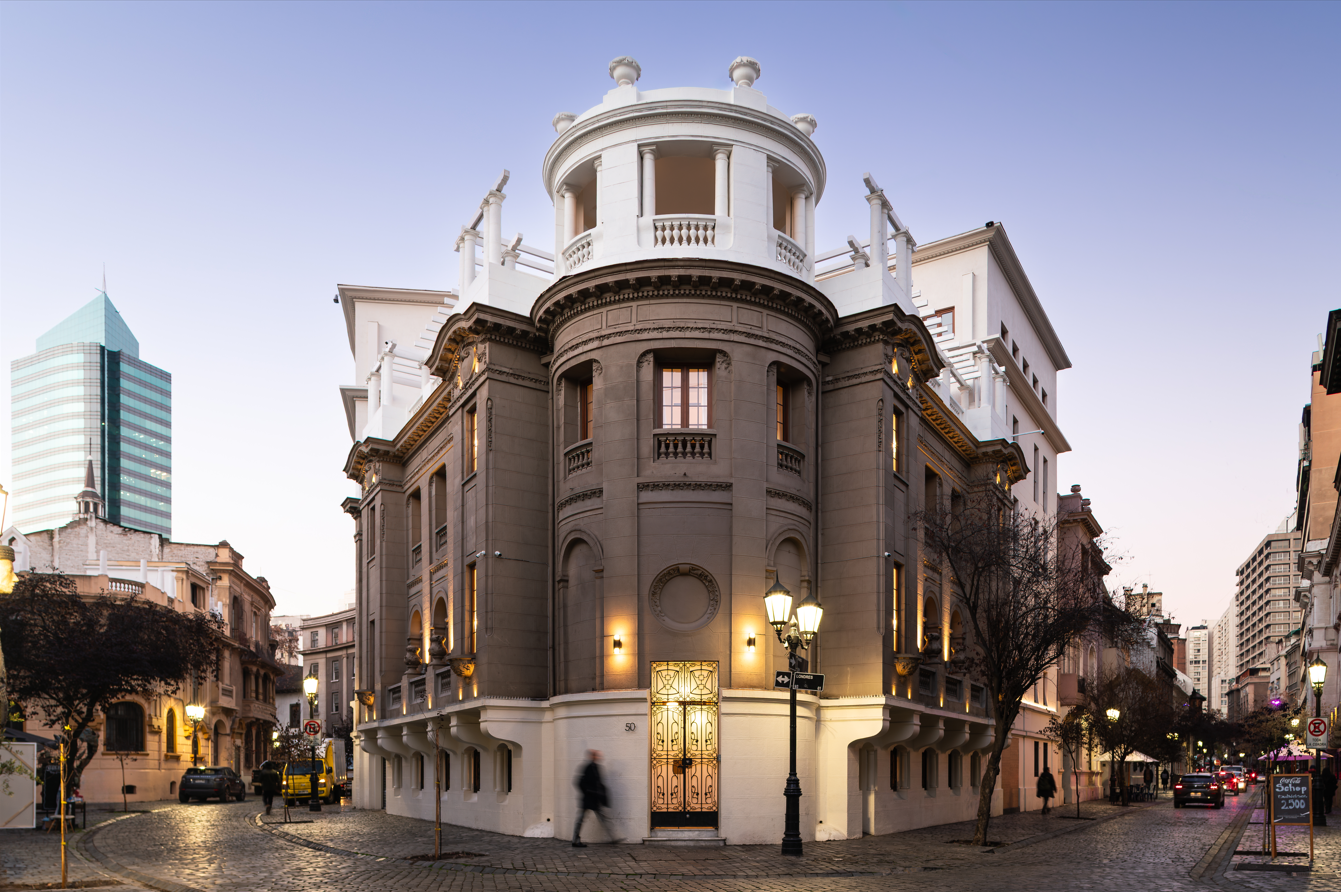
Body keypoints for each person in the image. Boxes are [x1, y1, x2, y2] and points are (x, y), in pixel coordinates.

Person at [572, 750, 616, 846]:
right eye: (597, 756)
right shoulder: (589, 767)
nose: (599, 758)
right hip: (589, 799)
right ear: (593, 757)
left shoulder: (595, 767)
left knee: (601, 818)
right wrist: (588, 791)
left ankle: (613, 837)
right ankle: (575, 840)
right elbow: (580, 782)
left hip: (593, 799)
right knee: (582, 819)